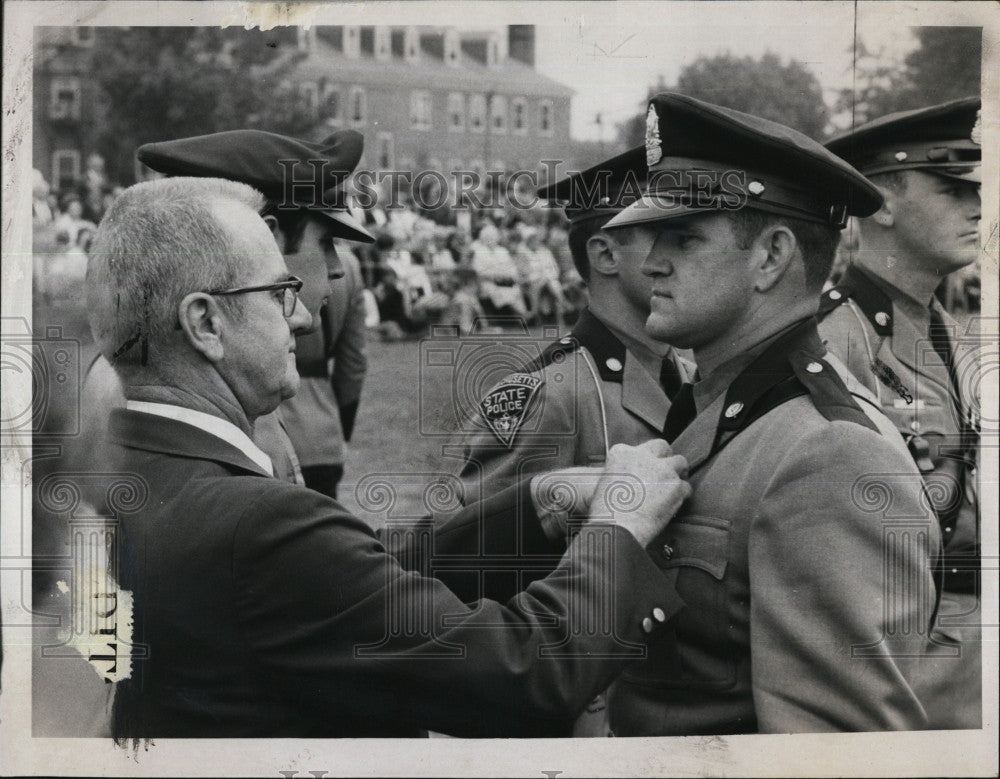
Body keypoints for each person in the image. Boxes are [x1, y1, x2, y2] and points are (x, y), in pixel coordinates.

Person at [86, 175, 693, 738]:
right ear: (205, 324)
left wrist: (534, 505)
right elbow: (524, 673)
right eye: (279, 293)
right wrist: (618, 527)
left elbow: (361, 574)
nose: (300, 317)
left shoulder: (119, 476)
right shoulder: (261, 525)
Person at [596, 92, 940, 734]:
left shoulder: (828, 452)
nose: (650, 262)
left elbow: (834, 753)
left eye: (684, 237)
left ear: (772, 256)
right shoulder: (724, 407)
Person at [429, 147, 695, 735]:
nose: (681, 253)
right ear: (602, 253)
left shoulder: (688, 375)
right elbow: (472, 561)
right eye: (660, 235)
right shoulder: (549, 392)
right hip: (585, 713)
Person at [81, 129, 378, 485]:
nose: (337, 267)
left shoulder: (144, 364)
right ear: (266, 237)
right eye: (326, 242)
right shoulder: (221, 398)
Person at [817, 97, 982, 728]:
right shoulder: (835, 342)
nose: (978, 206)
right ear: (881, 203)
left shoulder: (947, 332)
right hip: (901, 669)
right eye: (951, 188)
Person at [281, 242, 368, 499]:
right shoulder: (348, 264)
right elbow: (353, 363)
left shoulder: (262, 247)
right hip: (321, 433)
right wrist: (342, 427)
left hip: (267, 431)